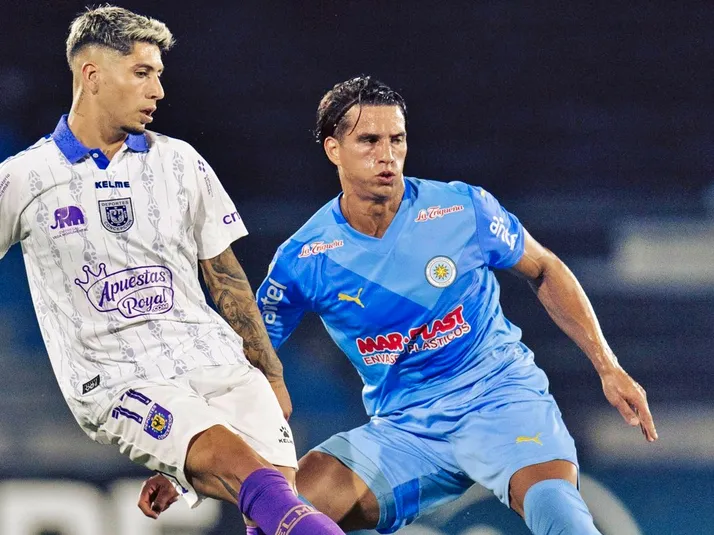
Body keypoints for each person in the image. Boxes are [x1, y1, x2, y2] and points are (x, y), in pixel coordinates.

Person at [140, 76, 657, 534]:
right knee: (287, 510)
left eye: (397, 139)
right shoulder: (305, 258)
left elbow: (544, 267)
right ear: (333, 149)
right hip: (405, 428)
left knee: (560, 514)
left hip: (501, 399)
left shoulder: (462, 208)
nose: (387, 155)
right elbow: (243, 360)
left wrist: (607, 366)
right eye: (369, 141)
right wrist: (179, 466)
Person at [0, 6, 344, 535]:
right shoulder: (25, 177)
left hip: (216, 361)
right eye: (142, 73)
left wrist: (270, 374)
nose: (158, 91)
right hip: (119, 379)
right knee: (251, 477)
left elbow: (225, 277)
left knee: (273, 510)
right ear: (92, 75)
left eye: (159, 74)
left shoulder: (181, 161)